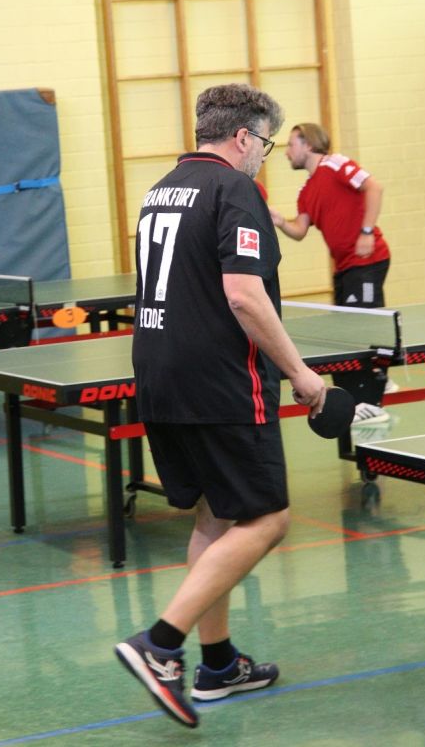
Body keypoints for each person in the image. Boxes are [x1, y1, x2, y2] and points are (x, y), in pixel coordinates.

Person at [115, 84, 327, 728]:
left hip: (159, 376)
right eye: (265, 143)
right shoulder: (235, 190)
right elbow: (243, 295)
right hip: (220, 382)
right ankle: (160, 644)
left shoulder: (163, 188)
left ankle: (218, 664)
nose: (264, 155)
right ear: (242, 137)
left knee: (215, 514)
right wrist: (300, 373)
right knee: (268, 519)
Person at [269, 123, 393, 426]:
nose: (286, 152)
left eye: (291, 145)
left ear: (308, 144)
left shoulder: (336, 164)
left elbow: (374, 187)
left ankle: (375, 394)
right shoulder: (306, 191)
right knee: (347, 333)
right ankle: (368, 389)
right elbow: (300, 230)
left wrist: (366, 231)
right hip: (345, 267)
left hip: (367, 260)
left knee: (364, 328)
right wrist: (280, 222)